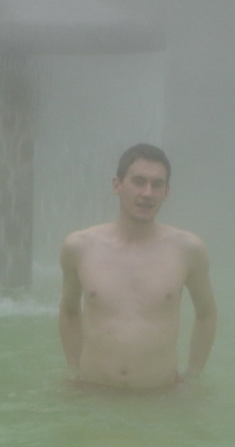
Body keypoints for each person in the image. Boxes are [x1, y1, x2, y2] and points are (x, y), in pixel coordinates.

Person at [59, 143, 216, 392]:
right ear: (117, 185)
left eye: (157, 184)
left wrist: (193, 376)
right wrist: (74, 369)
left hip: (159, 397)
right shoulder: (79, 247)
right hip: (94, 394)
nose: (148, 193)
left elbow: (206, 314)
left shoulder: (188, 250)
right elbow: (69, 311)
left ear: (167, 192)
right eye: (139, 182)